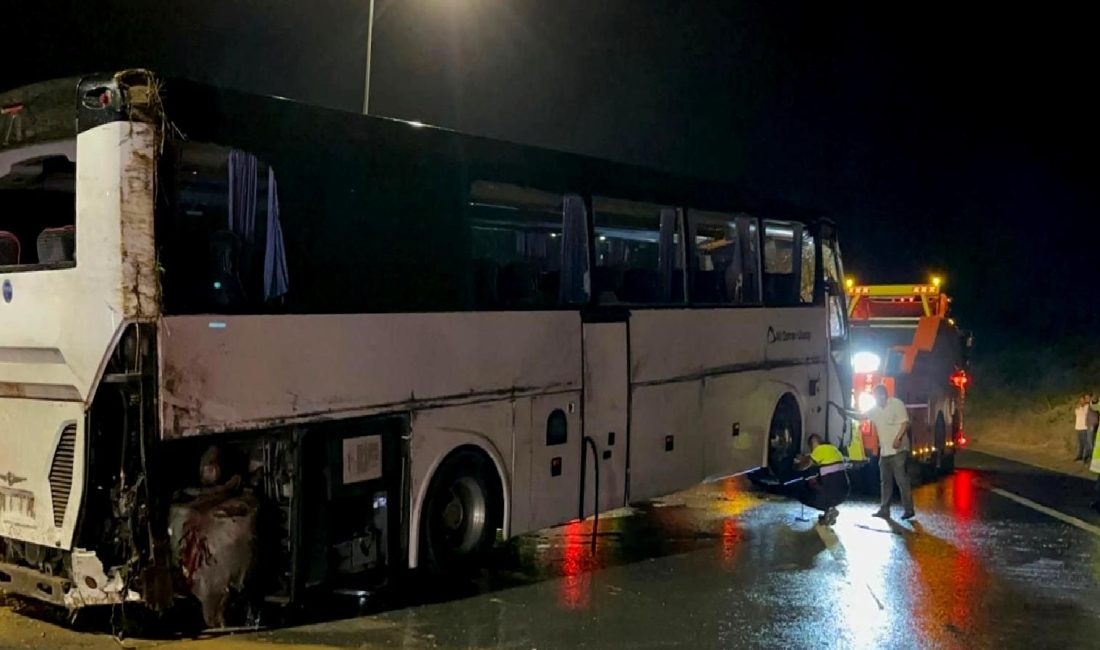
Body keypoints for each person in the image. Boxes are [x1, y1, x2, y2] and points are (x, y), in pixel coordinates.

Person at [860, 384, 914, 520]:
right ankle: (884, 509)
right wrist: (845, 413)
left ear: (883, 395)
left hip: (898, 450)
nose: (876, 399)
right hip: (884, 452)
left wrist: (898, 438)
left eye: (876, 396)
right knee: (885, 482)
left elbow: (905, 423)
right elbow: (861, 416)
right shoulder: (875, 410)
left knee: (901, 480)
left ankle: (909, 509)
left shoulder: (896, 404)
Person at [793, 434, 849, 525]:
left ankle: (829, 509)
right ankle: (828, 513)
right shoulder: (833, 449)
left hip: (831, 492)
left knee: (803, 493)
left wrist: (796, 466)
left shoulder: (820, 449)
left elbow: (804, 465)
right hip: (843, 492)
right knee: (820, 485)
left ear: (813, 443)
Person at [1074, 395, 1091, 462]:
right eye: (1080, 400)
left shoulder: (1087, 407)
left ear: (1084, 400)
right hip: (1078, 427)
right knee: (1080, 443)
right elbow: (1077, 414)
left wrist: (1087, 402)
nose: (1081, 401)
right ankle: (1079, 456)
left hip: (1084, 427)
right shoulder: (1077, 408)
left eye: (1082, 400)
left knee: (1085, 442)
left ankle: (1085, 457)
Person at [1085, 394, 1098, 464]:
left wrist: (1093, 425)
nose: (1086, 399)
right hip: (1089, 425)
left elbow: (1095, 416)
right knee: (1089, 442)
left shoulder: (1093, 404)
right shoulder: (1089, 405)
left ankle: (1093, 458)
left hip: (1092, 426)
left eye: (1087, 398)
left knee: (1090, 442)